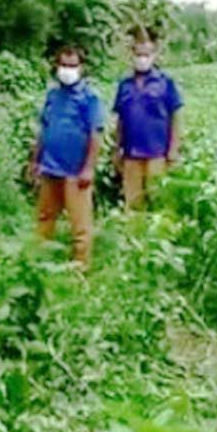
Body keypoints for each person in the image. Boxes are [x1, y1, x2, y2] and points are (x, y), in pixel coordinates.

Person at [30, 46, 104, 267]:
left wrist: (89, 168)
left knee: (79, 225)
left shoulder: (89, 98)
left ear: (81, 68)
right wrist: (35, 160)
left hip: (76, 170)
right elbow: (44, 129)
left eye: (72, 66)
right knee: (45, 217)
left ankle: (80, 269)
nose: (67, 70)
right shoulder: (53, 96)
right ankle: (39, 262)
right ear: (56, 66)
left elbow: (95, 133)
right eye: (64, 65)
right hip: (50, 167)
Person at [113, 28, 183, 209]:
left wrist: (173, 150)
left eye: (146, 54)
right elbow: (121, 120)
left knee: (158, 201)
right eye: (138, 54)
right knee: (133, 203)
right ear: (132, 55)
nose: (142, 58)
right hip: (131, 154)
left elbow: (175, 117)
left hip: (157, 153)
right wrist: (116, 149)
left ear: (154, 55)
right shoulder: (124, 84)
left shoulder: (165, 82)